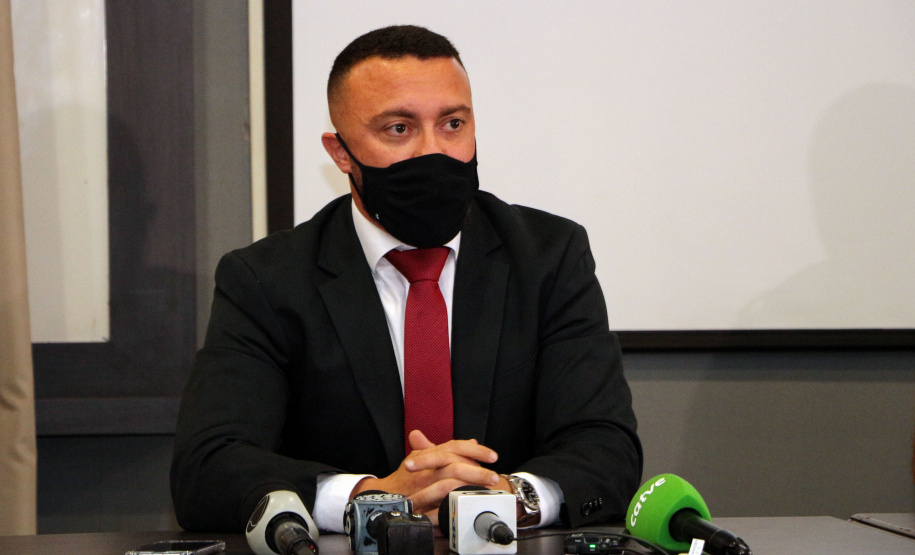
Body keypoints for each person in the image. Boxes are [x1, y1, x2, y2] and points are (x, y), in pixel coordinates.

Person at [170, 24, 642, 533]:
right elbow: (209, 467)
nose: (432, 153)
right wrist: (369, 497)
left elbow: (606, 447)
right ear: (340, 152)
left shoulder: (549, 257)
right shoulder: (265, 280)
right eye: (399, 129)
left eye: (453, 124)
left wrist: (510, 497)